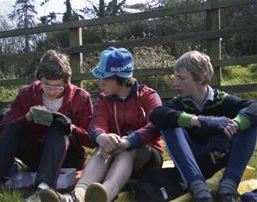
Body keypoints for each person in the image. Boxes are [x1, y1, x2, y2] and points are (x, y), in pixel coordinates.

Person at [38, 46, 164, 202]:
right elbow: (96, 125)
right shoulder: (103, 99)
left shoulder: (148, 96)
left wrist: (129, 141)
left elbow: (156, 126)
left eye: (105, 79)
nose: (100, 83)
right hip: (114, 154)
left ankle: (106, 194)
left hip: (147, 159)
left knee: (128, 150)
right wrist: (101, 136)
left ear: (120, 78)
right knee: (103, 148)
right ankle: (76, 196)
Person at [148, 50, 257, 202]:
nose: (175, 84)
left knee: (250, 121)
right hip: (193, 164)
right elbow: (156, 115)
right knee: (169, 123)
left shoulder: (222, 100)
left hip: (223, 160)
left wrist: (230, 129)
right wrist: (201, 121)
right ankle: (200, 192)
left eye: (181, 78)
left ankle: (227, 190)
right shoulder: (180, 103)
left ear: (200, 78)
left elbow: (254, 107)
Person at [0, 50, 94, 200]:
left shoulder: (81, 97)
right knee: (15, 126)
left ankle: (42, 190)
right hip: (36, 153)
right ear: (40, 79)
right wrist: (27, 118)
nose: (52, 91)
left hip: (68, 156)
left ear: (67, 82)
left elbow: (91, 140)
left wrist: (71, 128)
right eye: (47, 85)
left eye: (58, 86)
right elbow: (2, 131)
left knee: (59, 126)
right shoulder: (26, 94)